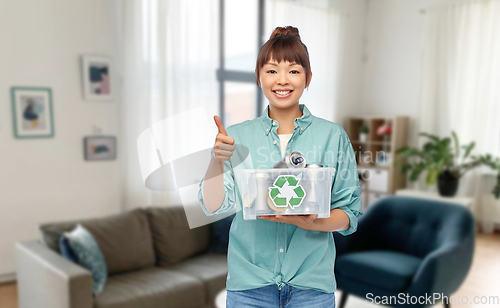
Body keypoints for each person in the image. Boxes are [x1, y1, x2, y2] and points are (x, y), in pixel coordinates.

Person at [198, 26, 363, 308]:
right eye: (272, 70)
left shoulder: (332, 136)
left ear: (308, 78)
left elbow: (349, 214)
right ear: (258, 77)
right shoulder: (236, 136)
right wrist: (217, 160)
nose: (282, 80)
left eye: (294, 71)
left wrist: (312, 221)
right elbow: (212, 206)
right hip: (249, 286)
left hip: (311, 286)